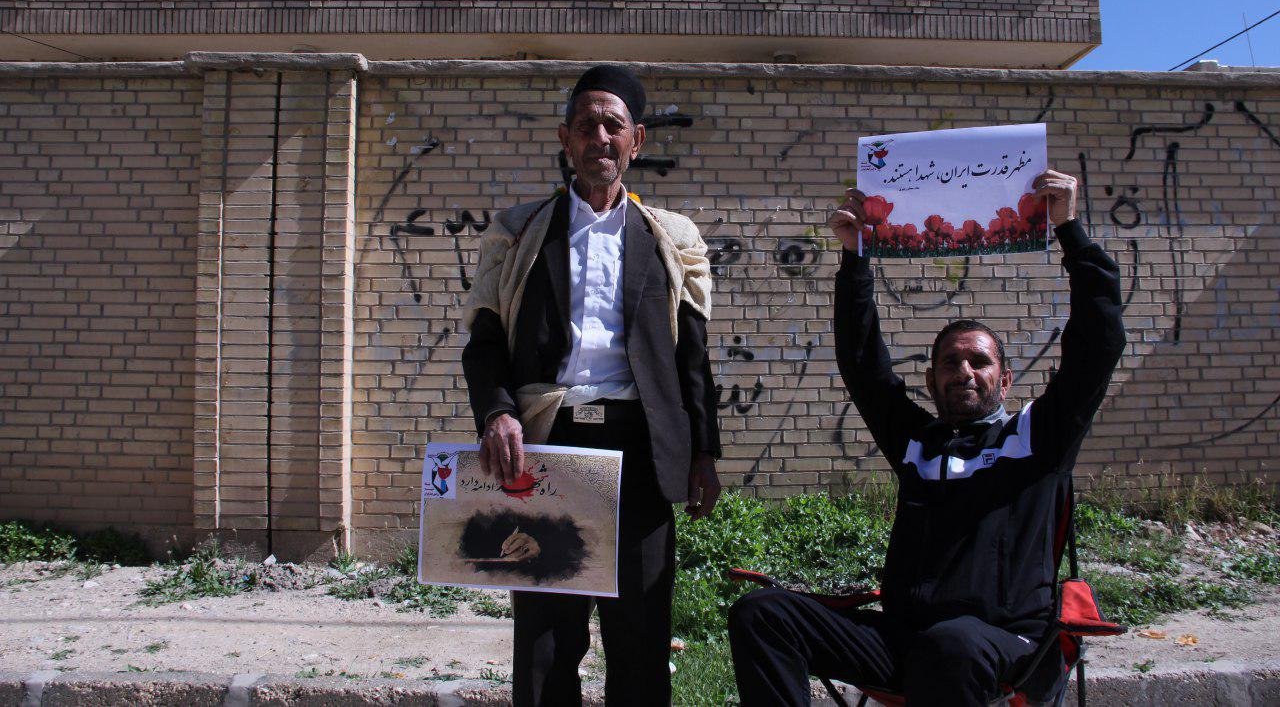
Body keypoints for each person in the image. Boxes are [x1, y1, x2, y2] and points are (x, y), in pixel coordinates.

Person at [727, 171, 1125, 706]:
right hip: (906, 640)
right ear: (931, 381)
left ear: (1005, 380)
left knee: (951, 645)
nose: (965, 372)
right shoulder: (919, 443)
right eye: (950, 363)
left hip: (1003, 643)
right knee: (761, 613)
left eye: (979, 361)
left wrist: (1069, 230)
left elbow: (1098, 343)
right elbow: (865, 368)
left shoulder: (1038, 437)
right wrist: (856, 258)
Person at [461, 64, 722, 706]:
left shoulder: (672, 239)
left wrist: (703, 453)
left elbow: (693, 357)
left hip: (641, 451)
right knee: (548, 638)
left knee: (640, 634)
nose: (599, 138)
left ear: (636, 140)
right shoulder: (519, 232)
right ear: (565, 138)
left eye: (613, 126)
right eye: (586, 125)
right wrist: (497, 412)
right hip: (551, 447)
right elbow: (485, 342)